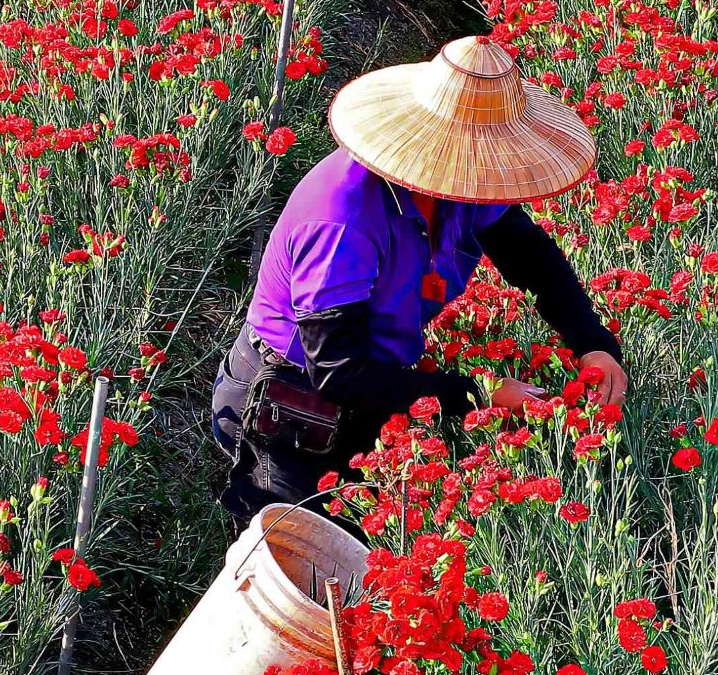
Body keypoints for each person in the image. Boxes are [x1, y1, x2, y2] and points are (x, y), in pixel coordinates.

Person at [211, 34, 627, 526]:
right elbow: (338, 371)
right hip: (292, 403)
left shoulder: (463, 185)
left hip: (373, 382)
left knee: (359, 556)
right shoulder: (342, 219)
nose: (487, 174)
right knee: (292, 558)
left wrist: (592, 343)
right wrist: (478, 393)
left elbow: (528, 253)